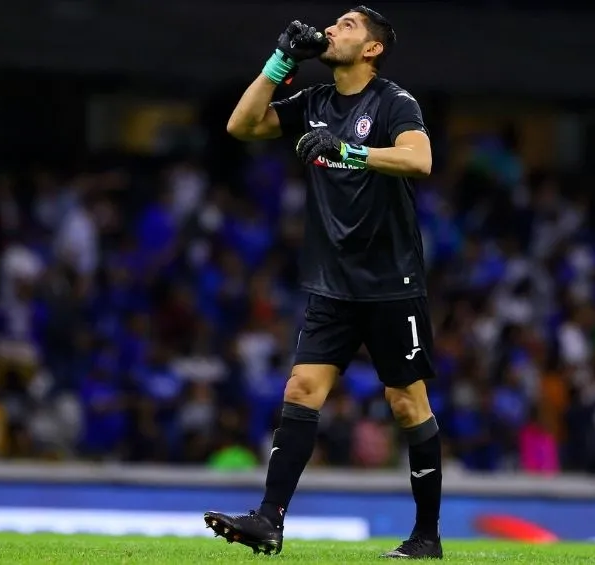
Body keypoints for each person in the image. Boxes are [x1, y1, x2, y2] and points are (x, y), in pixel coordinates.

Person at [204, 6, 442, 560]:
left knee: (407, 404)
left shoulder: (393, 102)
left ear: (373, 48)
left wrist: (347, 150)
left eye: (348, 26)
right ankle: (269, 520)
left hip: (391, 280)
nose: (332, 30)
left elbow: (420, 160)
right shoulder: (314, 103)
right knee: (300, 391)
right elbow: (241, 126)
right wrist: (280, 58)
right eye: (333, 24)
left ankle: (426, 537)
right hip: (332, 283)